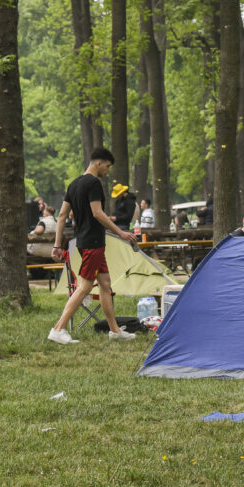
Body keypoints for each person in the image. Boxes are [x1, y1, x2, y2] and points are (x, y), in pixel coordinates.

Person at [48, 147, 139, 344]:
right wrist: (121, 233)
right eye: (107, 166)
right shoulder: (94, 183)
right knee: (85, 286)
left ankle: (115, 331)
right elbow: (98, 213)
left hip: (84, 242)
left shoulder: (73, 185)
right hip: (93, 243)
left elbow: (62, 215)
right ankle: (58, 328)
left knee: (105, 284)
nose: (108, 170)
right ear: (99, 163)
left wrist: (57, 245)